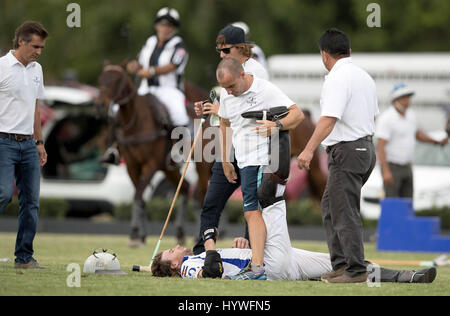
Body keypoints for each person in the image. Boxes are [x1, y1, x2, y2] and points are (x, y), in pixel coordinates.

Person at [297, 28, 379, 283]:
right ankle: (341, 265)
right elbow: (372, 115)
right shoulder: (364, 76)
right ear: (349, 51)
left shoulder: (336, 77)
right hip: (365, 148)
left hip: (348, 151)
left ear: (324, 55)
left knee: (344, 211)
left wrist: (308, 149)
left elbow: (329, 119)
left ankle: (355, 270)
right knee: (332, 207)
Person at [217, 57, 304, 280]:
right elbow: (225, 123)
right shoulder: (226, 95)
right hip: (243, 161)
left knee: (252, 212)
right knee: (250, 213)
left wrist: (276, 125)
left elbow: (297, 114)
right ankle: (260, 266)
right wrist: (226, 160)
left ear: (243, 75)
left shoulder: (265, 89)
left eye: (232, 86)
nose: (228, 92)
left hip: (262, 159)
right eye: (225, 87)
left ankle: (257, 268)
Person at [192, 24, 269, 255]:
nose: (222, 56)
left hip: (253, 148)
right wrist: (209, 109)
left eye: (226, 50)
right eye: (220, 52)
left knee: (251, 208)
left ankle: (251, 255)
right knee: (211, 201)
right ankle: (202, 253)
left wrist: (218, 109)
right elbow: (225, 116)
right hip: (231, 147)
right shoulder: (227, 69)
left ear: (241, 48)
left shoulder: (257, 71)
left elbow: (250, 111)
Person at [101, 7, 189, 164]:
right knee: (116, 109)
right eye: (162, 24)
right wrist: (133, 66)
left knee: (179, 114)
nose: (165, 28)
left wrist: (152, 71)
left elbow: (173, 65)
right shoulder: (150, 42)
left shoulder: (179, 46)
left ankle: (178, 150)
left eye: (169, 25)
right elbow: (140, 63)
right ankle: (114, 148)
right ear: (157, 26)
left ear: (173, 28)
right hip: (146, 88)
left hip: (168, 89)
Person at [0, 21, 49, 269]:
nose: (39, 51)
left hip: (29, 145)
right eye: (36, 46)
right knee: (4, 193)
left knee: (31, 202)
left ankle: (24, 258)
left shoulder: (37, 69)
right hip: (3, 142)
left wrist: (39, 142)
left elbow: (35, 107)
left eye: (41, 47)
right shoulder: (1, 67)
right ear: (21, 41)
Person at [376, 83, 449, 198]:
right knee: (393, 202)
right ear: (396, 99)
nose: (408, 100)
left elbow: (418, 135)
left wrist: (436, 142)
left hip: (407, 166)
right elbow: (381, 146)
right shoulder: (387, 118)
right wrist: (385, 171)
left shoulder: (410, 115)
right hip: (392, 167)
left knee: (408, 202)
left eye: (408, 97)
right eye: (405, 97)